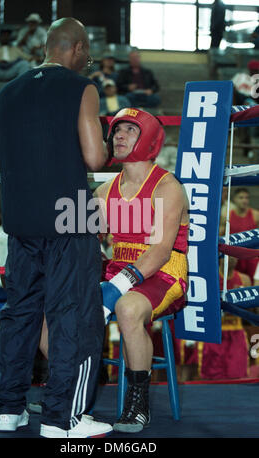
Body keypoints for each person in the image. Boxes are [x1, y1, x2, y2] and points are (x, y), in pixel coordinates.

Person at [0, 17, 112, 438]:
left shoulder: (8, 90)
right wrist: (103, 141)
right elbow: (95, 159)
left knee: (19, 313)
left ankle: (8, 410)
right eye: (86, 49)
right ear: (73, 48)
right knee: (72, 314)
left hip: (21, 217)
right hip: (70, 214)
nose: (88, 57)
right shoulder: (82, 87)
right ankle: (63, 419)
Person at [95, 108, 189, 433]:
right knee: (55, 299)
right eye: (116, 130)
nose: (118, 136)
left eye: (129, 131)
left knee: (128, 306)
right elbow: (84, 242)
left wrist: (116, 286)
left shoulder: (168, 186)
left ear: (148, 138)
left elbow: (161, 250)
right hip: (118, 265)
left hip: (164, 270)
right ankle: (73, 382)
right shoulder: (102, 191)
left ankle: (138, 403)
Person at [198, 256, 251, 380]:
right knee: (211, 377)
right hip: (214, 333)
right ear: (220, 257)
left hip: (236, 333)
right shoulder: (210, 277)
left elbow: (251, 310)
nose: (232, 259)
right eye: (228, 255)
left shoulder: (244, 280)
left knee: (238, 376)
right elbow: (203, 304)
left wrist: (242, 300)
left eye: (234, 256)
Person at [228, 188, 259, 283]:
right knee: (238, 282)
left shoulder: (255, 214)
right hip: (235, 256)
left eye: (246, 198)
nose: (244, 200)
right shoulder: (227, 215)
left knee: (254, 283)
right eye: (241, 197)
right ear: (234, 199)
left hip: (252, 256)